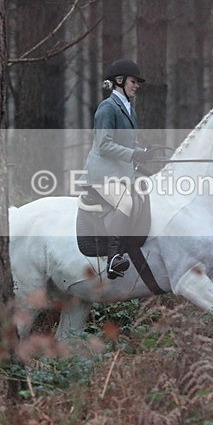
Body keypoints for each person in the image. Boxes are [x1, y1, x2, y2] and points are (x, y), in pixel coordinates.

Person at [83, 59, 154, 278]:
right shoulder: (107, 107)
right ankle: (113, 259)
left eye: (137, 82)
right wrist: (134, 154)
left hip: (121, 173)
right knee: (126, 202)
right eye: (133, 81)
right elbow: (104, 145)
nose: (137, 86)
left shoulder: (130, 109)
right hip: (102, 175)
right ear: (120, 81)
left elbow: (128, 144)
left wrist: (143, 152)